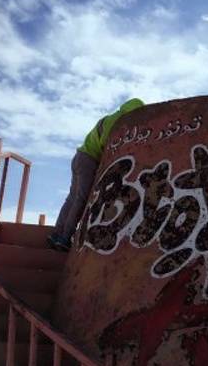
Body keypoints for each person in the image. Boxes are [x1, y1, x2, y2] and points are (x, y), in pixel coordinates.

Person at [48, 97, 145, 251]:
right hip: (89, 160)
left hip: (79, 157)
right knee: (81, 199)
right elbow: (108, 145)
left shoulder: (108, 118)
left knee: (72, 198)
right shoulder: (119, 121)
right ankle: (65, 238)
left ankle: (56, 234)